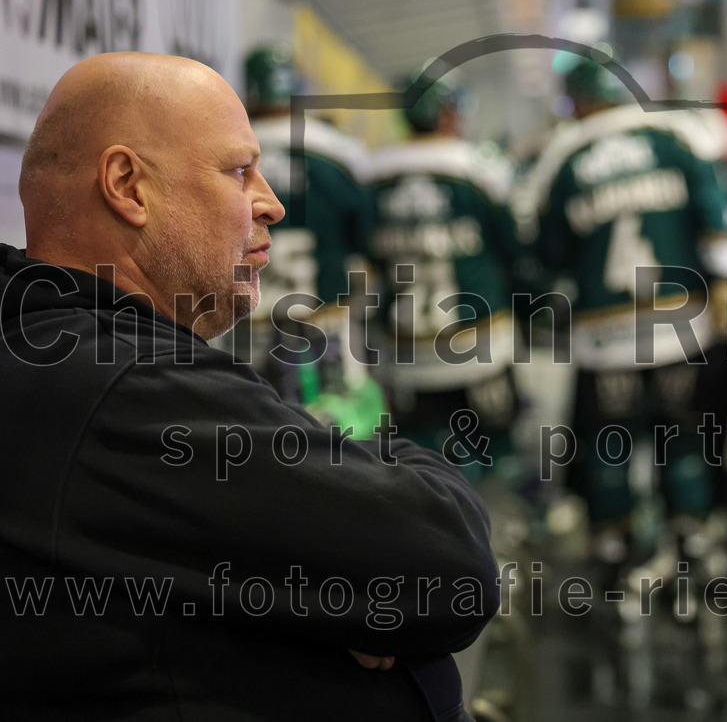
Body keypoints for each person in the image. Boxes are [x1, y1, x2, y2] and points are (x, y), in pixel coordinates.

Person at [0, 52, 498, 721]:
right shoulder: (121, 387)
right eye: (239, 171)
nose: (271, 201)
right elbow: (449, 565)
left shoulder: (69, 350)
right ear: (127, 184)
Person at [521, 56, 727, 579]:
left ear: (574, 98)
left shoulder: (563, 158)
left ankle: (615, 554)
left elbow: (546, 259)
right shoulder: (674, 137)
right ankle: (692, 541)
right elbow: (719, 229)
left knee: (610, 447)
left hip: (604, 337)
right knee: (683, 439)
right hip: (681, 327)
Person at [365, 73, 522, 482]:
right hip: (478, 341)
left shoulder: (373, 174)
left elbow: (362, 257)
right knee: (493, 448)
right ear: (447, 113)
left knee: (419, 460)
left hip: (403, 348)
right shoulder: (481, 168)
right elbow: (516, 249)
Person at [240, 44, 384, 436]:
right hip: (324, 325)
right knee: (341, 436)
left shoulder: (229, 151)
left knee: (251, 434)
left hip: (243, 326)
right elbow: (365, 240)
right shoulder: (337, 153)